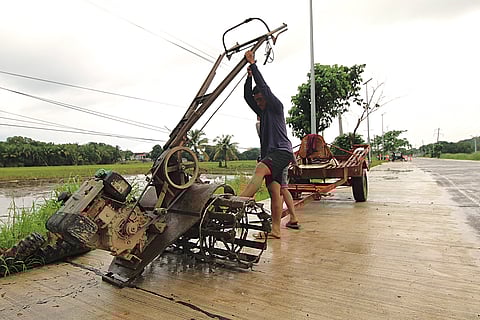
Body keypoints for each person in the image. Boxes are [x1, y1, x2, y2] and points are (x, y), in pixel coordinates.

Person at [240, 50, 299, 239]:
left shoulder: (275, 106)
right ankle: (275, 229)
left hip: (281, 152)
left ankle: (237, 204)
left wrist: (254, 65)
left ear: (266, 98)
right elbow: (247, 97)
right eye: (257, 100)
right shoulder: (263, 112)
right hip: (273, 153)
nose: (258, 102)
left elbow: (264, 88)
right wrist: (248, 77)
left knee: (259, 169)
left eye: (260, 99)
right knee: (275, 192)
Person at [256, 116, 300, 230]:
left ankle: (278, 222)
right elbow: (287, 144)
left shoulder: (263, 125)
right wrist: (294, 162)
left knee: (278, 192)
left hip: (275, 158)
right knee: (281, 189)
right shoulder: (275, 125)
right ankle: (287, 219)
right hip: (280, 157)